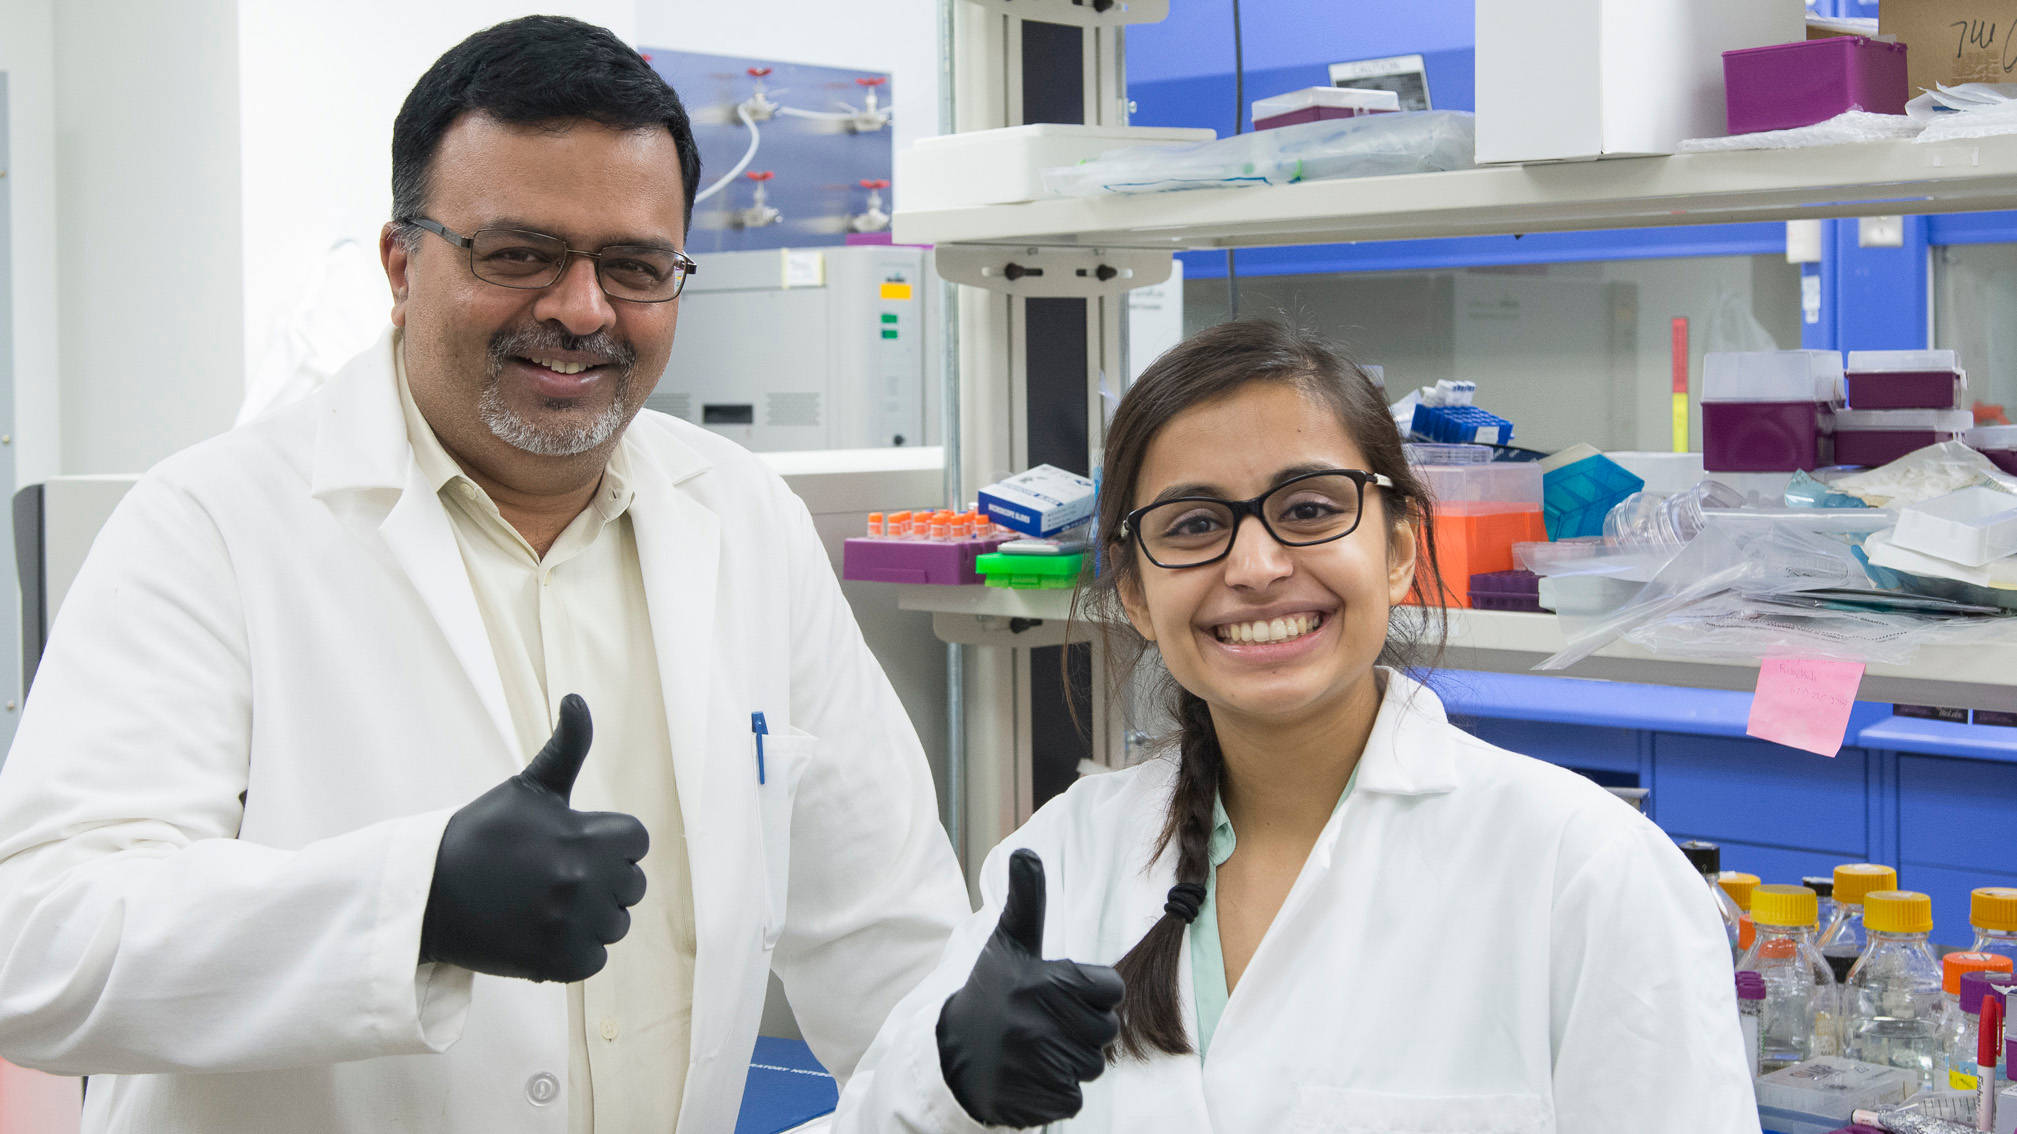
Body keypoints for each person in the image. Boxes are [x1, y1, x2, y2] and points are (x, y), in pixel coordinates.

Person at [0, 16, 967, 1133]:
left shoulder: (744, 519)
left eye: (635, 266)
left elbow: (885, 930)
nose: (582, 308)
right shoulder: (211, 524)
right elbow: (36, 943)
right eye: (518, 255)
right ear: (402, 265)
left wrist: (962, 1054)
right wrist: (415, 905)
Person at [835, 321, 1759, 1133]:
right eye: (1193, 524)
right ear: (1135, 594)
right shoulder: (1065, 860)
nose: (1257, 564)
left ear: (1398, 548)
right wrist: (949, 1078)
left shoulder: (1585, 872)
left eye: (1310, 509)